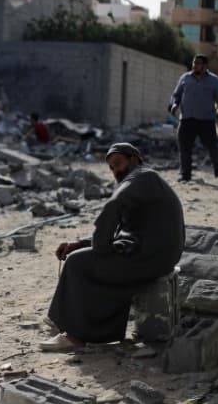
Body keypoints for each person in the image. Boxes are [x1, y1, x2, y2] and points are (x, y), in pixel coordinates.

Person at [40, 143, 185, 351]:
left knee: (77, 263)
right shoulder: (145, 183)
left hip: (151, 257)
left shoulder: (142, 176)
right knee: (80, 254)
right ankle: (63, 320)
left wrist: (99, 249)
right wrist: (80, 243)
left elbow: (112, 207)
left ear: (134, 159)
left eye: (118, 163)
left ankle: (76, 336)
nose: (115, 171)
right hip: (152, 253)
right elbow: (122, 232)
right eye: (111, 168)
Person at [169, 54, 218, 182]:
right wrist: (174, 105)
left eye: (198, 63)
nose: (195, 65)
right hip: (186, 119)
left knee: (212, 146)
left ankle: (217, 167)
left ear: (205, 66)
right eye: (194, 63)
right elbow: (176, 94)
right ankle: (185, 175)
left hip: (206, 121)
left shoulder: (214, 81)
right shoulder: (185, 78)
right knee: (184, 148)